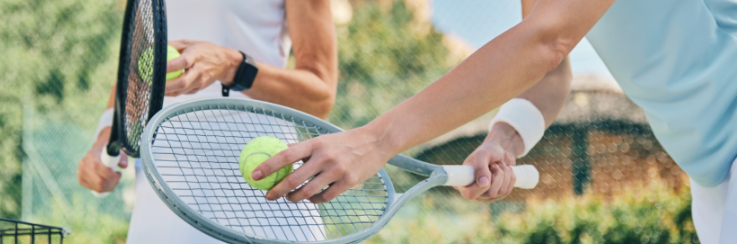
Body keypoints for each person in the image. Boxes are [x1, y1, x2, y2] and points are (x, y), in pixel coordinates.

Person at [253, 0, 737, 243]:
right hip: (712, 179)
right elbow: (550, 68)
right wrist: (505, 138)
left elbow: (547, 41)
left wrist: (374, 141)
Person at [77, 1, 338, 243]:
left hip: (261, 191)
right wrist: (105, 136)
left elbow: (319, 98)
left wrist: (231, 66)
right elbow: (135, 71)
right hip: (162, 186)